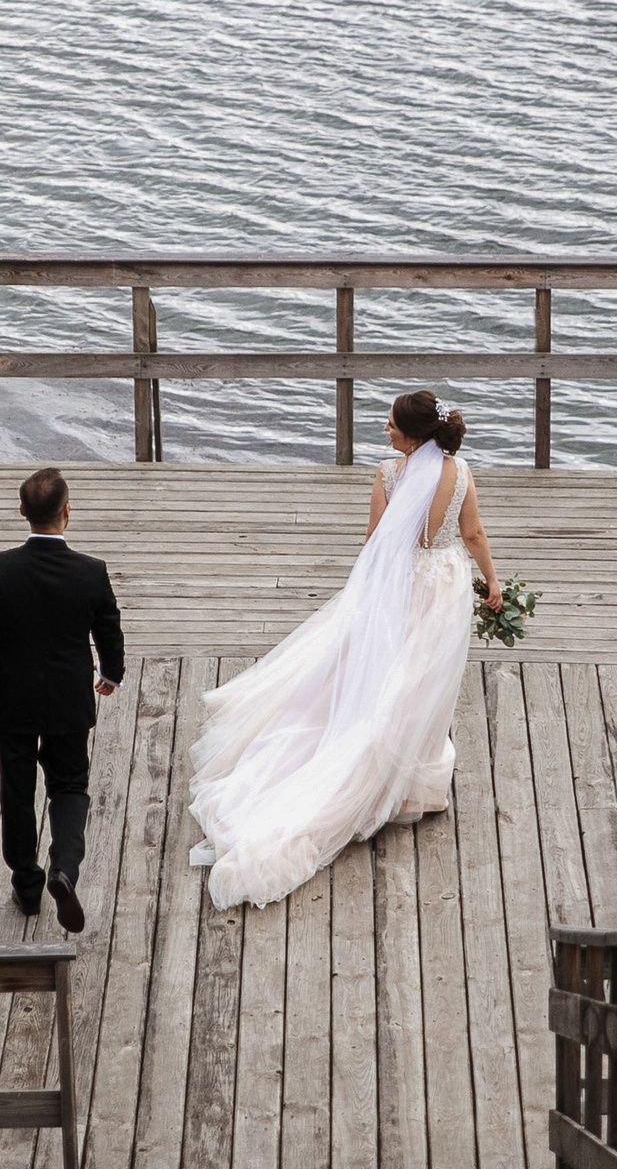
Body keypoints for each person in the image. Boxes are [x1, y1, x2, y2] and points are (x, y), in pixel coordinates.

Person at [188, 389, 503, 909]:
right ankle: (415, 782)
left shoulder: (389, 475)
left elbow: (375, 539)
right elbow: (473, 534)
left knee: (386, 672)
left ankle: (389, 768)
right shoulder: (462, 472)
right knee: (425, 677)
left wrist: (368, 594)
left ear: (413, 435)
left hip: (401, 584)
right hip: (444, 583)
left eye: (392, 424)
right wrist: (492, 581)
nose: (386, 429)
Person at [0, 466, 125, 933]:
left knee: (17, 791)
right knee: (69, 786)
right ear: (68, 512)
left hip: (11, 700)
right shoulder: (91, 572)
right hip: (68, 699)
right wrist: (111, 672)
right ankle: (64, 868)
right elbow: (109, 630)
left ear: (22, 511)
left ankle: (27, 887)